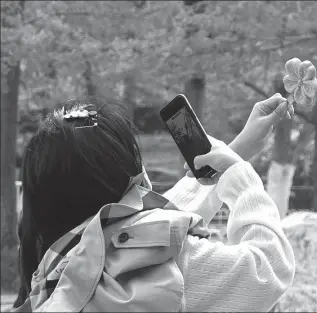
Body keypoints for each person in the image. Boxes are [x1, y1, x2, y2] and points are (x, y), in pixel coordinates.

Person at [13, 94, 296, 312]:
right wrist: (241, 179)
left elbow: (150, 226)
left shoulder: (59, 261)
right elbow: (268, 270)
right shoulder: (176, 265)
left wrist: (236, 150)